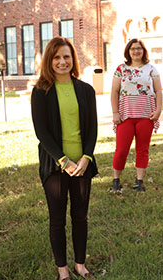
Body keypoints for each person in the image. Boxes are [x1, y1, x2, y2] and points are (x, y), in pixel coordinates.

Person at [31, 36, 98, 280]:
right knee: (57, 219)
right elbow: (42, 133)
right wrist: (63, 161)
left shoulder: (86, 90)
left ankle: (80, 265)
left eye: (66, 56)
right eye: (57, 57)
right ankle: (63, 270)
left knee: (80, 216)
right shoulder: (40, 92)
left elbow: (92, 128)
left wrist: (86, 158)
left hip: (82, 165)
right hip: (55, 166)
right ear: (50, 60)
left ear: (73, 59)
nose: (62, 62)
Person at [110, 38, 162, 193]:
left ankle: (139, 181)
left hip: (146, 116)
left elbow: (158, 91)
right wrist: (115, 113)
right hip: (125, 116)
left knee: (143, 149)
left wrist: (158, 110)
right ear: (128, 51)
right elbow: (114, 91)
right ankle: (115, 180)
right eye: (133, 48)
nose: (136, 51)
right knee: (121, 149)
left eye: (139, 48)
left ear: (143, 51)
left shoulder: (151, 69)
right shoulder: (121, 69)